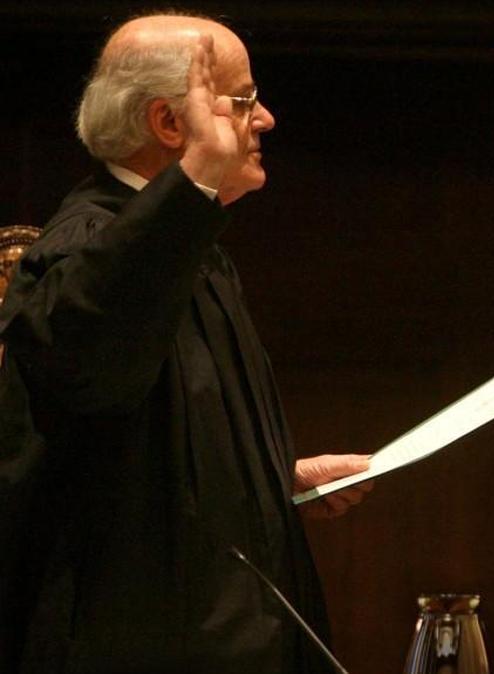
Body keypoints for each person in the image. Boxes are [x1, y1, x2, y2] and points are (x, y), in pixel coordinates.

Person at [0, 13, 374, 673]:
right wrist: (198, 173)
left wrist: (272, 479)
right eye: (242, 102)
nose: (265, 121)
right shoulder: (89, 245)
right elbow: (90, 374)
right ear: (171, 125)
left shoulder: (189, 250)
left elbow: (136, 452)